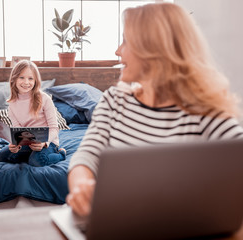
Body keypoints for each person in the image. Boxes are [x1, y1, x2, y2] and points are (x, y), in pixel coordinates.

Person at [66, 2, 243, 217]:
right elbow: (86, 155)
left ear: (155, 49)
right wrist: (81, 185)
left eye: (126, 42)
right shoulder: (115, 100)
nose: (117, 51)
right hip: (117, 221)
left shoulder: (203, 113)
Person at [0, 60, 66, 166]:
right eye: (21, 77)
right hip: (27, 142)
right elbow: (18, 131)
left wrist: (44, 143)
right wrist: (16, 145)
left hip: (48, 141)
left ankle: (61, 154)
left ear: (35, 81)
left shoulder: (45, 98)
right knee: (1, 156)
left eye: (30, 78)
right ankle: (29, 154)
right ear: (14, 79)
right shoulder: (12, 104)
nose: (26, 82)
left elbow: (54, 128)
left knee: (36, 161)